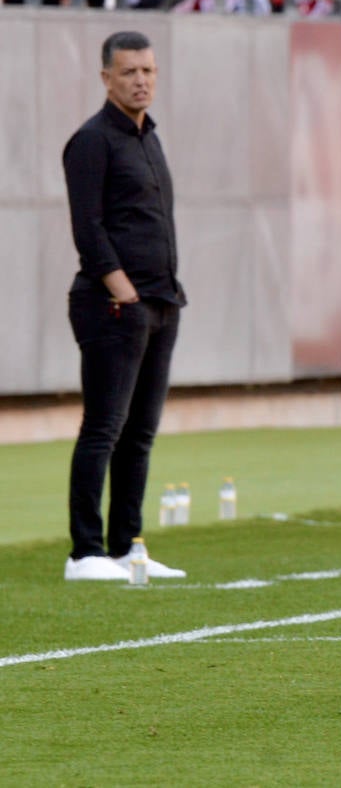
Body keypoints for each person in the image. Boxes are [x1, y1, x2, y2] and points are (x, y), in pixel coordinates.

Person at [62, 31, 187, 582]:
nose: (141, 80)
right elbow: (88, 227)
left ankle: (126, 545)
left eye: (149, 71)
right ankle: (84, 552)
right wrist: (123, 291)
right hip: (114, 304)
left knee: (140, 432)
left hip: (161, 300)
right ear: (106, 77)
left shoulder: (148, 137)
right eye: (130, 72)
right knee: (104, 427)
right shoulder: (92, 141)